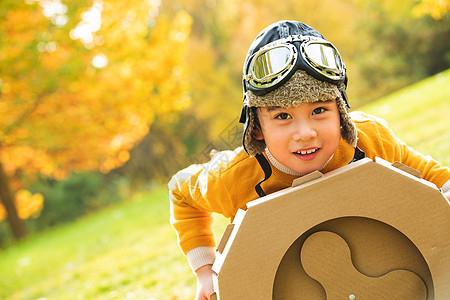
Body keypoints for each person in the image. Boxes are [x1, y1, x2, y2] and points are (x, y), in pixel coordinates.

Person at [168, 20, 450, 299]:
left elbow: (434, 178)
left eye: (319, 110)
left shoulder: (370, 139)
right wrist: (204, 270)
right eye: (282, 116)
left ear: (341, 113)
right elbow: (181, 191)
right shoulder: (232, 177)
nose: (305, 133)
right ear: (256, 128)